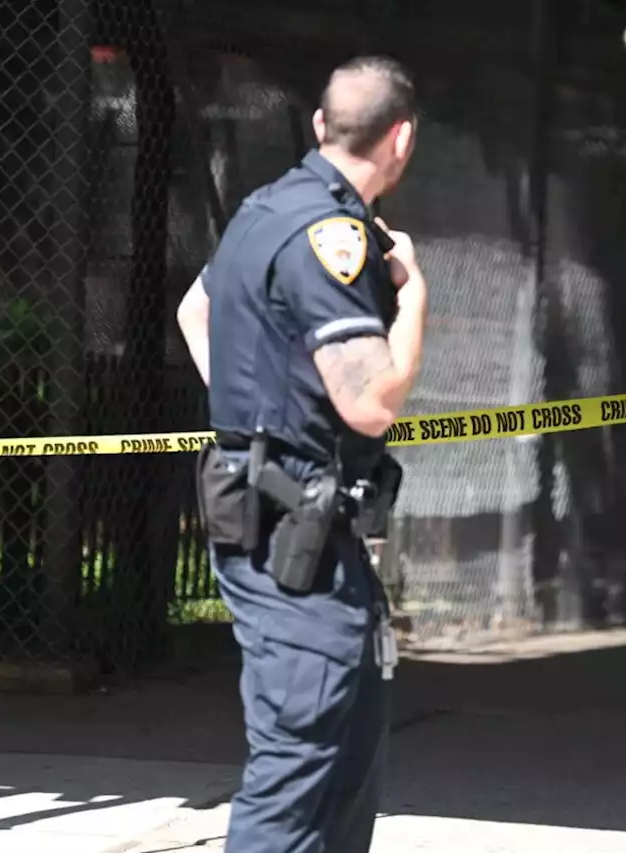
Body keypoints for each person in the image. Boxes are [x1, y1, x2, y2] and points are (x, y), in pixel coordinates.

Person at [175, 56, 427, 853]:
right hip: (296, 544)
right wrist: (414, 299)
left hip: (291, 521)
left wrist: (254, 421)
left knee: (345, 763)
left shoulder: (263, 208)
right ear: (403, 139)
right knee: (295, 775)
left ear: (321, 126)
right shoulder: (335, 237)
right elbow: (370, 400)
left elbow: (195, 311)